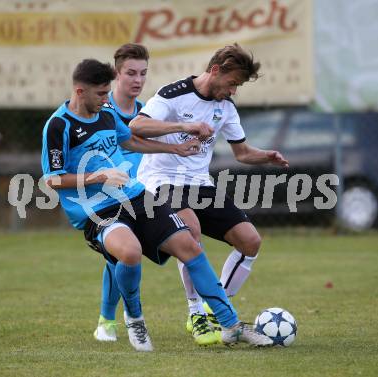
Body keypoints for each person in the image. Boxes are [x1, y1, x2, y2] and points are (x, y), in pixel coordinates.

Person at [41, 58, 273, 351]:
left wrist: (173, 147)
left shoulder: (107, 116)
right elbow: (53, 180)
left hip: (136, 196)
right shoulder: (58, 125)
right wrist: (98, 175)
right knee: (130, 252)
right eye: (101, 94)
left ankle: (231, 326)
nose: (106, 99)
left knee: (190, 246)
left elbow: (132, 142)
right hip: (96, 209)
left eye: (107, 92)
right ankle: (135, 321)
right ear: (79, 92)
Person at [130, 43, 289, 345]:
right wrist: (183, 125)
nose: (233, 91)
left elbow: (241, 152)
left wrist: (266, 156)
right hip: (161, 180)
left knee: (250, 241)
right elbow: (136, 126)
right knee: (191, 231)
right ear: (216, 71)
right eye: (232, 83)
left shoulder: (225, 108)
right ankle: (195, 314)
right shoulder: (173, 94)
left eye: (237, 86)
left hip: (200, 184)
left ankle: (215, 308)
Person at [93, 43, 150, 343]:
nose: (137, 80)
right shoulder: (100, 112)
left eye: (143, 73)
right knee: (120, 256)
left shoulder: (147, 115)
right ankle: (108, 320)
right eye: (130, 73)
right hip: (105, 200)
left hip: (141, 196)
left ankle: (197, 311)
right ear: (116, 74)